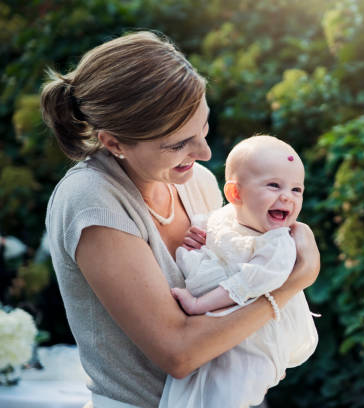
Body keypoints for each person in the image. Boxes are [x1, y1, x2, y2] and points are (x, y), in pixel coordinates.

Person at [41, 31, 319, 408]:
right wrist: (291, 283)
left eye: (203, 128)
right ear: (114, 143)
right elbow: (180, 355)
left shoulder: (196, 182)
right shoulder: (93, 201)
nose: (204, 152)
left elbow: (232, 314)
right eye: (177, 144)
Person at [160, 135, 318, 408]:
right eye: (274, 185)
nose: (287, 197)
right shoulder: (224, 217)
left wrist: (199, 304)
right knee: (188, 392)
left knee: (227, 395)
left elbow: (248, 283)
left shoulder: (279, 243)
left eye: (296, 190)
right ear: (235, 194)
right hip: (228, 334)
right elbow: (212, 234)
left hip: (260, 338)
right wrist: (197, 239)